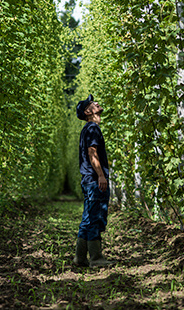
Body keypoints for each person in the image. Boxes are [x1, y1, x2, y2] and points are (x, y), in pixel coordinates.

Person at [73, 94, 112, 267]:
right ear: (88, 112)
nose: (97, 103)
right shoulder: (93, 129)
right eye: (92, 104)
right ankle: (96, 258)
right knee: (96, 217)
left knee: (88, 218)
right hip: (95, 180)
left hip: (88, 180)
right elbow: (92, 153)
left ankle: (80, 258)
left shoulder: (87, 129)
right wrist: (101, 176)